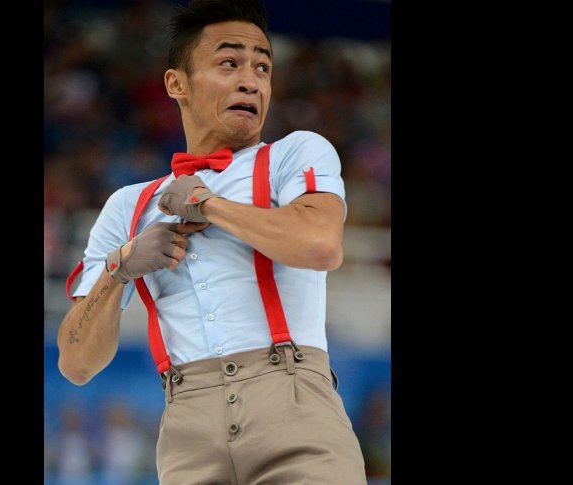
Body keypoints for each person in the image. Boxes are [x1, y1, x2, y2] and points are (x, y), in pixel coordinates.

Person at [57, 0, 367, 483]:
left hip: (295, 406)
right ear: (176, 83)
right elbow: (76, 364)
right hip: (186, 427)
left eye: (262, 67)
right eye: (229, 63)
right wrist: (122, 266)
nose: (251, 80)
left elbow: (321, 246)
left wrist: (207, 204)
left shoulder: (294, 153)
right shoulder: (128, 206)